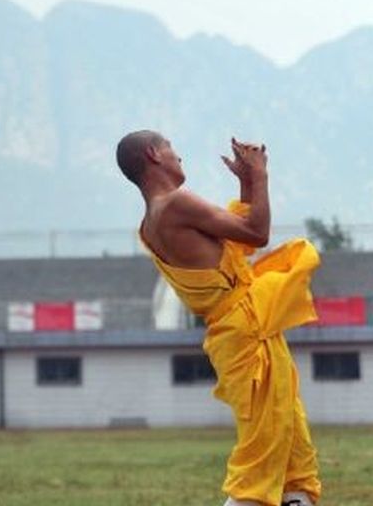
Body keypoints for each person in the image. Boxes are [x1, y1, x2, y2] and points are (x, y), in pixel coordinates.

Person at [115, 131, 321, 506]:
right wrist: (260, 176)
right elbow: (256, 234)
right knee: (263, 452)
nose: (180, 158)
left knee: (289, 441)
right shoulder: (175, 203)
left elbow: (231, 245)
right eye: (172, 150)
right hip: (243, 328)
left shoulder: (150, 223)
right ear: (153, 155)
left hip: (239, 328)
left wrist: (245, 183)